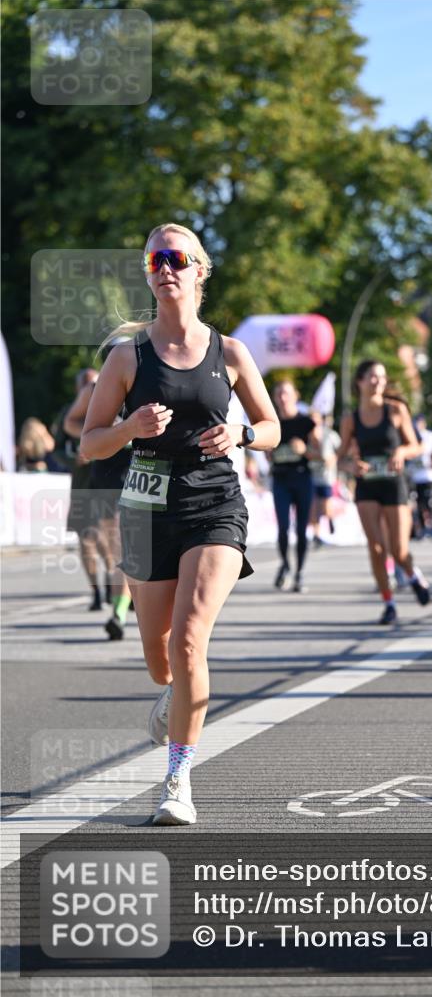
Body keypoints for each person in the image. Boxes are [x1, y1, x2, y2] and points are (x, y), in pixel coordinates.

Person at [80, 222, 280, 826]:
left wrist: (243, 433)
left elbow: (272, 428)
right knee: (160, 657)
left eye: (177, 258)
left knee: (190, 638)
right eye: (155, 259)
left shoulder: (231, 352)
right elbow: (90, 443)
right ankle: (175, 694)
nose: (165, 267)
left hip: (215, 504)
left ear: (199, 270)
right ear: (148, 274)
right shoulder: (127, 356)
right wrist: (128, 428)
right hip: (146, 510)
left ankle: (177, 779)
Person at [337, 360, 430, 625]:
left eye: (381, 376)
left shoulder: (396, 410)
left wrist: (401, 451)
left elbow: (417, 446)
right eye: (372, 376)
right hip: (367, 484)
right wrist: (352, 466)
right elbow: (340, 459)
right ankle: (388, 602)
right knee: (376, 548)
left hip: (393, 483)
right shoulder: (351, 419)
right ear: (360, 382)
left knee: (398, 550)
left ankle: (413, 576)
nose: (378, 381)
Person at [65, 347, 134, 640]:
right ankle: (119, 610)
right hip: (106, 475)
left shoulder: (153, 379)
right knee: (117, 548)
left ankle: (123, 607)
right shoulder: (93, 389)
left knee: (129, 547)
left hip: (142, 472)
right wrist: (91, 437)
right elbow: (70, 422)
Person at [270, 381, 321, 591]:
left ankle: (299, 573)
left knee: (301, 529)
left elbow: (321, 454)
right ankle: (285, 565)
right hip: (280, 479)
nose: (283, 398)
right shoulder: (271, 422)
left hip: (302, 478)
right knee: (283, 528)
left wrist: (304, 450)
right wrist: (269, 452)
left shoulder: (307, 422)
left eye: (286, 393)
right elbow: (266, 452)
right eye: (279, 394)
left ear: (295, 396)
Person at [309, 410, 341, 547]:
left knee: (325, 507)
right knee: (314, 507)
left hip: (327, 477)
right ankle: (316, 535)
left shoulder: (330, 434)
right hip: (311, 475)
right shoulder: (306, 435)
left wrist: (334, 459)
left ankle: (330, 518)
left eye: (315, 418)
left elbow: (341, 449)